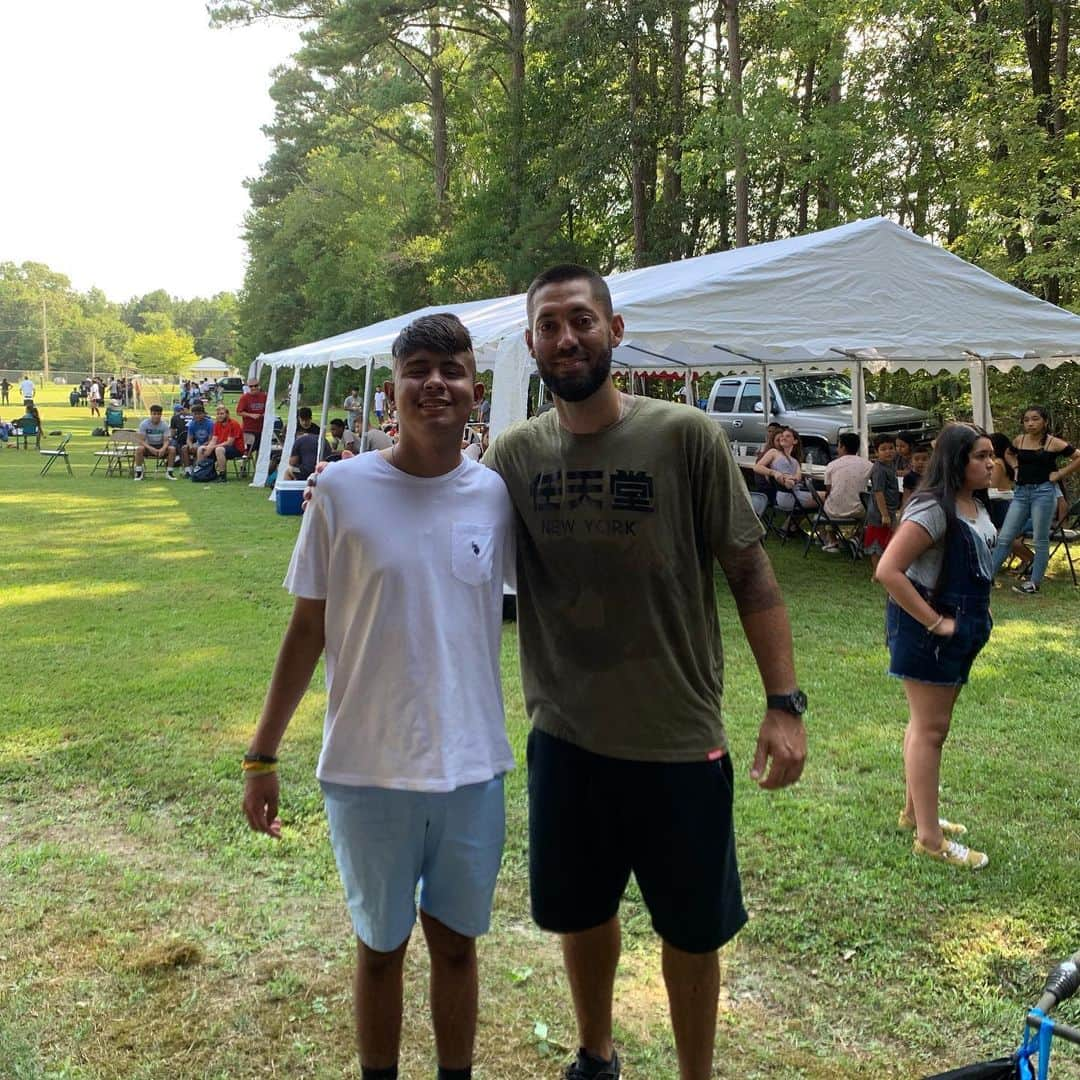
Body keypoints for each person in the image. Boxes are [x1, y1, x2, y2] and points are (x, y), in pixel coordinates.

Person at [482, 264, 806, 1080]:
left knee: (692, 932)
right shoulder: (513, 457)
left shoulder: (684, 436)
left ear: (614, 331)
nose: (567, 337)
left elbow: (752, 575)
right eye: (549, 325)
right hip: (566, 736)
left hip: (678, 739)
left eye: (582, 320)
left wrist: (784, 704)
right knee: (582, 916)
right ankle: (596, 1053)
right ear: (531, 343)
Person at [243, 312, 514, 1080]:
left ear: (473, 388)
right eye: (418, 368)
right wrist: (261, 755)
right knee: (379, 948)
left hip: (471, 767)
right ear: (393, 389)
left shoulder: (494, 496)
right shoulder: (343, 490)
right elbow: (305, 630)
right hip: (365, 770)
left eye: (451, 369)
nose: (436, 382)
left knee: (457, 947)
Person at [875, 424, 997, 869]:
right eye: (980, 456)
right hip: (929, 632)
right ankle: (929, 840)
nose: (990, 463)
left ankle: (914, 813)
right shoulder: (933, 509)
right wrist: (935, 623)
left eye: (991, 456)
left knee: (924, 725)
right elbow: (889, 571)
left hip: (961, 630)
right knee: (931, 731)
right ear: (956, 461)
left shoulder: (974, 504)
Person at [989, 405, 1080, 595]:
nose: (1030, 423)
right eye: (1026, 419)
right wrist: (1015, 467)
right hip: (1021, 493)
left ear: (1044, 422)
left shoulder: (1053, 443)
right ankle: (987, 577)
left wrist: (1060, 473)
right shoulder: (1019, 440)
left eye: (1035, 419)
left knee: (1040, 539)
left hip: (1043, 493)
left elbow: (1077, 457)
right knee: (1005, 536)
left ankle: (1033, 583)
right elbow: (1008, 453)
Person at [821, 432, 873, 552]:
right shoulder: (868, 465)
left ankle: (832, 541)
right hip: (857, 510)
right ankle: (857, 537)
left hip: (833, 510)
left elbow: (828, 490)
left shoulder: (832, 465)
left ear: (843, 447)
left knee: (828, 503)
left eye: (838, 445)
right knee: (871, 512)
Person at [863, 435, 901, 571]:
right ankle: (876, 572)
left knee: (888, 538)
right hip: (879, 512)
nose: (888, 452)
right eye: (883, 449)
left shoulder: (890, 466)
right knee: (876, 541)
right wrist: (884, 514)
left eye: (891, 448)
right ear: (876, 452)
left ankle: (886, 568)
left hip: (889, 509)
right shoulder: (879, 469)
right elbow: (878, 492)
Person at [133, 404, 177, 480]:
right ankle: (139, 472)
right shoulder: (144, 424)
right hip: (148, 446)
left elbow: (166, 440)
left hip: (160, 446)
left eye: (158, 414)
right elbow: (141, 440)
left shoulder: (164, 425)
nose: (156, 416)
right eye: (154, 414)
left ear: (161, 415)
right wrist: (151, 448)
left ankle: (169, 472)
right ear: (151, 414)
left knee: (172, 449)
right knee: (139, 449)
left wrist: (163, 449)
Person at [206, 405, 245, 482]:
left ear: (227, 414)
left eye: (222, 414)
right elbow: (214, 439)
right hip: (222, 447)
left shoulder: (234, 424)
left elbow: (230, 443)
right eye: (218, 414)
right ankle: (203, 473)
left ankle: (222, 475)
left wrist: (213, 447)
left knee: (219, 449)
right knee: (202, 449)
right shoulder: (217, 424)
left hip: (236, 449)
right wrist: (208, 447)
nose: (219, 416)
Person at [236, 378, 268, 453]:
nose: (253, 388)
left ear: (259, 386)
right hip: (249, 430)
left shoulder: (264, 396)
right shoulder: (245, 398)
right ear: (248, 387)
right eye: (251, 386)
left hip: (262, 429)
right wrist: (251, 415)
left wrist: (263, 415)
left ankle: (258, 464)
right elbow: (239, 412)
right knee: (248, 451)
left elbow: (268, 410)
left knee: (261, 452)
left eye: (255, 386)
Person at [900, 441, 932, 509]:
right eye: (917, 459)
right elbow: (906, 497)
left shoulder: (931, 476)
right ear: (911, 461)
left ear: (929, 460)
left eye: (924, 459)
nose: (920, 462)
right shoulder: (909, 477)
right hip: (915, 508)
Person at [186, 403, 216, 475]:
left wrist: (200, 446)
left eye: (199, 414)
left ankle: (198, 469)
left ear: (204, 414)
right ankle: (188, 470)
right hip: (198, 443)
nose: (197, 416)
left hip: (208, 444)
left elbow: (210, 440)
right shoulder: (192, 424)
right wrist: (190, 446)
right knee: (184, 448)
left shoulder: (210, 423)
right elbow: (189, 439)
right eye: (195, 414)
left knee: (201, 449)